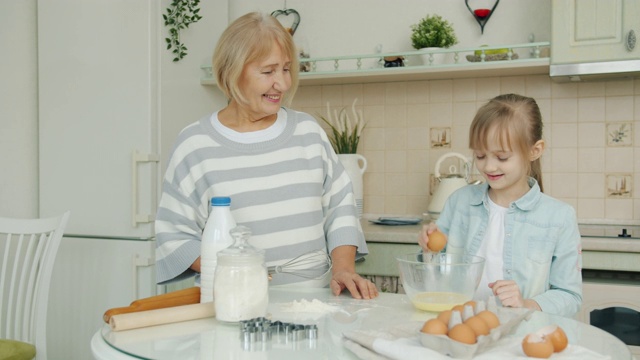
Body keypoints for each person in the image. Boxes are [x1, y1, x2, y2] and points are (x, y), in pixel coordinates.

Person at [155, 12, 378, 300]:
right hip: (233, 304)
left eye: (286, 69)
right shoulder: (195, 145)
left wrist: (343, 268)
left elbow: (340, 207)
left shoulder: (308, 133)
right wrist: (242, 270)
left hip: (315, 305)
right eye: (268, 71)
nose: (283, 84)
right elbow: (174, 234)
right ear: (232, 71)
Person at [418, 94, 582, 317]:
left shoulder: (559, 217)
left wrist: (526, 303)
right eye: (480, 155)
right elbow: (434, 276)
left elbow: (570, 297)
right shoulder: (460, 202)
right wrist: (429, 250)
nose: (489, 166)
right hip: (460, 327)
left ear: (535, 150)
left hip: (520, 337)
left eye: (502, 157)